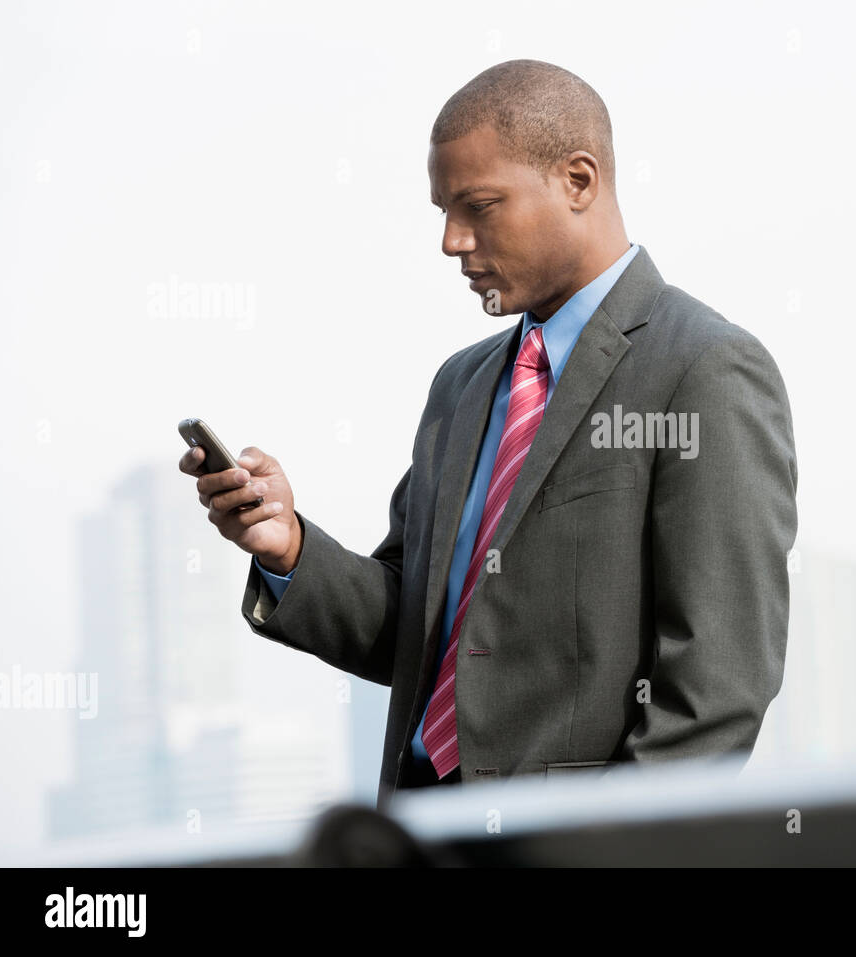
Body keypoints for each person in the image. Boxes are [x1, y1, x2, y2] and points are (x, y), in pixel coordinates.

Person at [178, 59, 798, 809]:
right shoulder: (461, 386)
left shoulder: (702, 368)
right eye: (443, 210)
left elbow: (718, 685)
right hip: (415, 832)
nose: (450, 241)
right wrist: (290, 550)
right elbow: (419, 633)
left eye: (477, 206)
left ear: (578, 181)